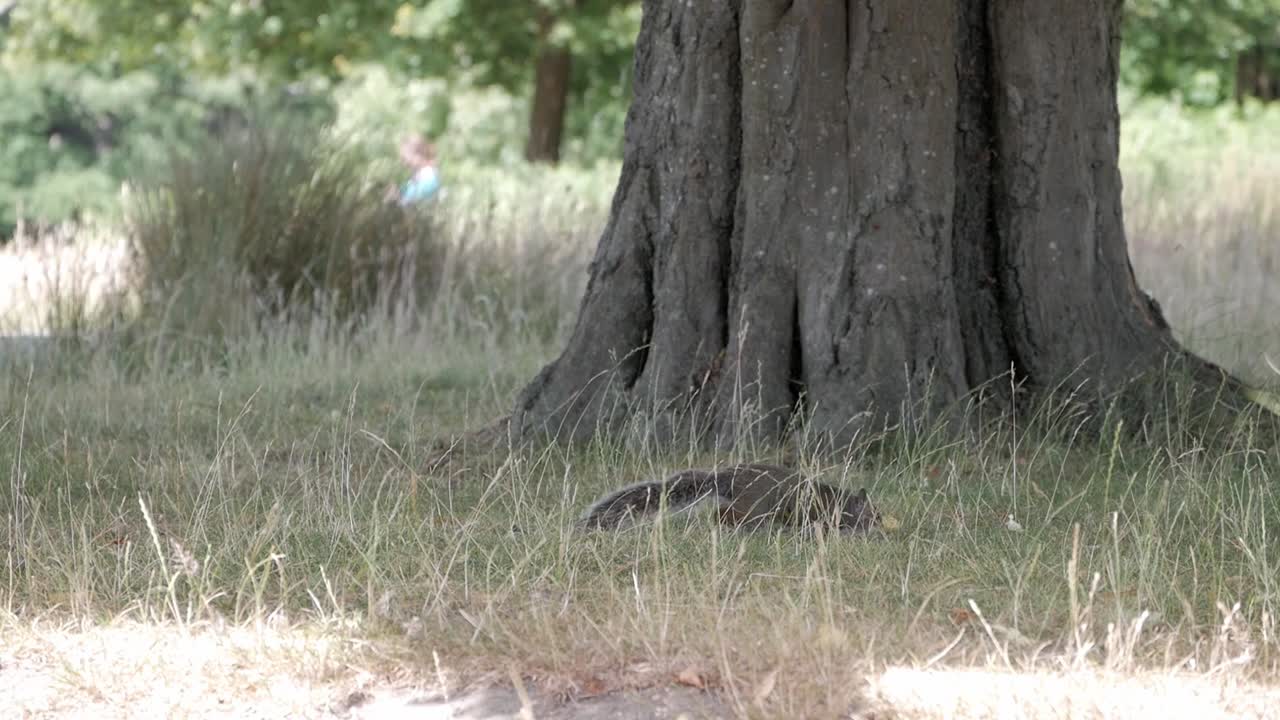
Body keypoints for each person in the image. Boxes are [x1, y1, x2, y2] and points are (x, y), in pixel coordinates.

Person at [393, 134, 441, 205]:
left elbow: (419, 196)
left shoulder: (429, 175)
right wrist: (398, 191)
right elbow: (408, 189)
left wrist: (400, 198)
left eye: (405, 159)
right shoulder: (420, 174)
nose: (403, 163)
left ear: (418, 156)